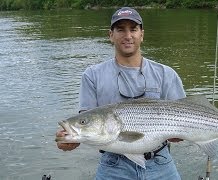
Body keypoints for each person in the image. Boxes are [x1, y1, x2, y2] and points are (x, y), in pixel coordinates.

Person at [56, 7, 186, 180]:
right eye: (120, 29)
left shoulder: (166, 74)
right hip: (112, 166)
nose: (128, 35)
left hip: (160, 163)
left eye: (133, 29)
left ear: (142, 34)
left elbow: (182, 127)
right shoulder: (92, 75)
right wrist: (69, 140)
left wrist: (180, 133)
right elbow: (86, 125)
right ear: (111, 35)